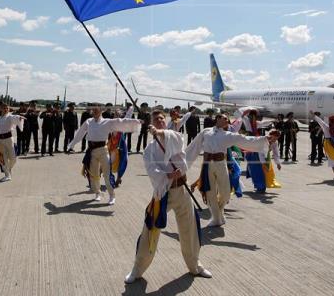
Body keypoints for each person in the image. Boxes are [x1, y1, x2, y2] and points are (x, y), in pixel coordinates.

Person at [124, 110, 211, 284]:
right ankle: (137, 269)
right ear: (151, 124)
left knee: (190, 229)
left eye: (162, 118)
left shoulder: (175, 136)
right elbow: (151, 170)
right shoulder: (149, 149)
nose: (160, 121)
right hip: (164, 192)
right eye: (156, 119)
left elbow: (175, 142)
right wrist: (167, 176)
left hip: (183, 191)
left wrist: (161, 133)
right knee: (150, 229)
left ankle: (195, 266)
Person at [186, 113, 277, 227]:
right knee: (210, 193)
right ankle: (216, 218)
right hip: (207, 165)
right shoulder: (205, 132)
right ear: (218, 119)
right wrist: (180, 163)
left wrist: (264, 139)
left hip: (221, 164)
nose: (227, 121)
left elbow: (245, 140)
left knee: (225, 193)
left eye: (228, 120)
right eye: (225, 119)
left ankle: (219, 212)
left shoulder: (228, 135)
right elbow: (193, 147)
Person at [67, 105, 141, 204]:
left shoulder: (107, 122)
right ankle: (97, 193)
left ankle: (112, 195)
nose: (94, 112)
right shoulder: (88, 121)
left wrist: (137, 121)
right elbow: (80, 133)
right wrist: (71, 144)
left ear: (101, 111)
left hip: (103, 150)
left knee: (107, 174)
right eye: (93, 110)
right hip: (92, 151)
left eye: (96, 110)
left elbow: (121, 122)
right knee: (94, 174)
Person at [0, 102, 25, 181]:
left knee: (13, 158)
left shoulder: (9, 117)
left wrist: (19, 117)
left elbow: (14, 117)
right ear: (1, 109)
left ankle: (8, 169)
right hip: (0, 140)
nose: (5, 109)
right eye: (4, 108)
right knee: (3, 158)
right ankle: (7, 175)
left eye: (7, 108)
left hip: (9, 139)